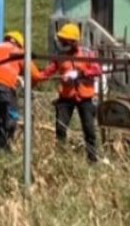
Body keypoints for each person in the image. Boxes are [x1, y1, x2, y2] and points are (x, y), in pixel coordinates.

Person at [37, 23, 103, 163]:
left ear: (73, 42)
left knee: (89, 130)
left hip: (85, 98)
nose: (61, 43)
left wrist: (81, 73)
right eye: (61, 40)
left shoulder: (87, 53)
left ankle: (92, 159)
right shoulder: (59, 57)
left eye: (64, 41)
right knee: (60, 128)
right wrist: (34, 77)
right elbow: (48, 72)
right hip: (66, 97)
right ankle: (62, 159)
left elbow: (97, 70)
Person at [0, 31, 39, 151]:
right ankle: (5, 147)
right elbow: (35, 74)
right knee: (11, 116)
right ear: (19, 43)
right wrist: (31, 85)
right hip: (3, 86)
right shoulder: (18, 51)